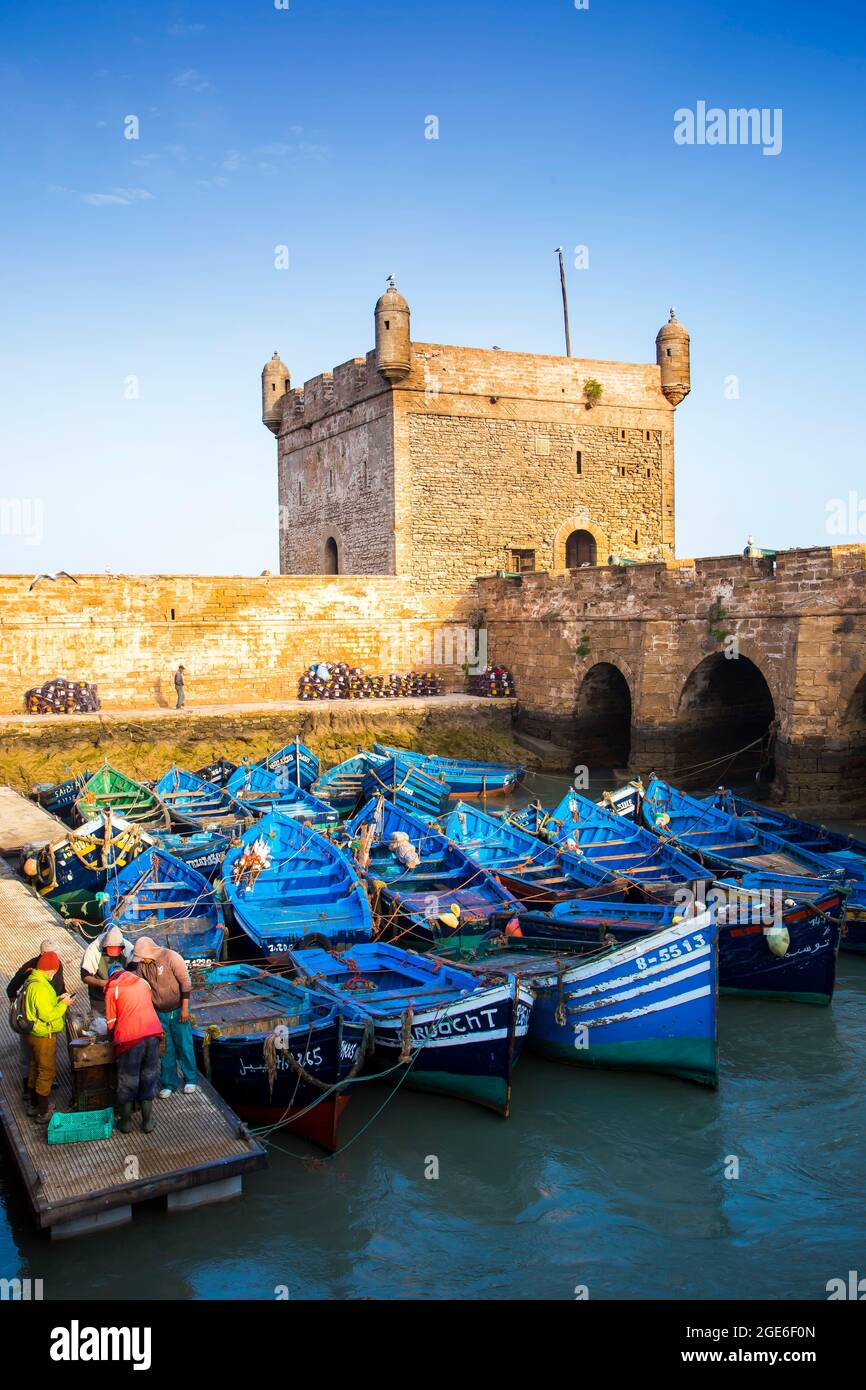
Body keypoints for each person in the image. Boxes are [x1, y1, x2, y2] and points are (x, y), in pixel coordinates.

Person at [133, 936, 198, 1097]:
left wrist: (184, 1008)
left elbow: (186, 983)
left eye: (143, 957)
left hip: (178, 1009)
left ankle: (191, 1079)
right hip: (158, 1012)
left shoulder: (172, 957)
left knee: (184, 1045)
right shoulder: (142, 965)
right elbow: (141, 986)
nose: (142, 960)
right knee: (164, 1049)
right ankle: (169, 1082)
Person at [104, 960, 163, 1133]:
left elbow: (111, 1022)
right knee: (148, 1076)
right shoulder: (142, 983)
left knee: (128, 1080)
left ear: (111, 975)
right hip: (152, 1034)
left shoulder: (112, 987)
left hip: (130, 1040)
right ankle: (148, 1122)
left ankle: (126, 1123)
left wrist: (111, 1038)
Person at [7, 938, 66, 1101]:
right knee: (30, 1056)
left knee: (40, 1060)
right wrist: (20, 1007)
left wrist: (63, 998)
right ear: (42, 955)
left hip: (49, 1013)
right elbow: (11, 988)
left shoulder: (56, 965)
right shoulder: (31, 970)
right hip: (34, 1021)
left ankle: (39, 1091)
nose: (55, 959)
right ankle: (33, 1094)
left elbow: (60, 986)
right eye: (51, 954)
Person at [23, 951, 72, 1123]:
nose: (54, 973)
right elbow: (48, 1015)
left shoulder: (34, 981)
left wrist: (57, 998)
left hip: (34, 1034)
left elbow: (42, 1005)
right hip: (44, 1035)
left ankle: (33, 1104)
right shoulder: (41, 987)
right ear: (50, 969)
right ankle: (43, 1112)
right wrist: (63, 1005)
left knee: (35, 1068)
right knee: (46, 1072)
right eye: (54, 970)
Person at [81, 925, 133, 1013]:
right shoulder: (93, 949)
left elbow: (134, 971)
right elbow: (85, 977)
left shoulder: (129, 948)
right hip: (99, 996)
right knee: (100, 1022)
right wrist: (102, 983)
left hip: (121, 994)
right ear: (105, 945)